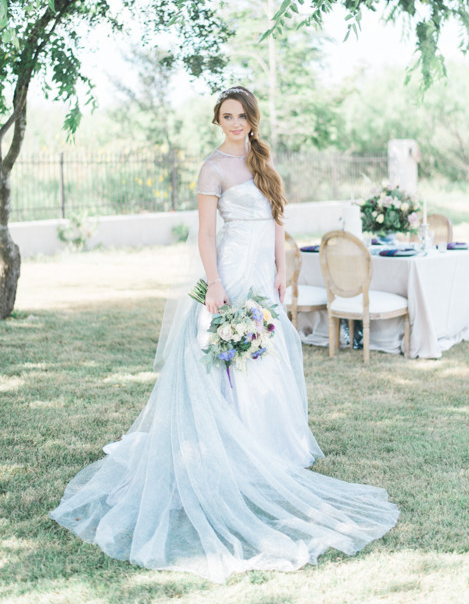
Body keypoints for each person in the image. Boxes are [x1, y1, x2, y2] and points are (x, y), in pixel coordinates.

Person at [50, 86, 398, 583]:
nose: (235, 123)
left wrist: (281, 272)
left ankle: (271, 443)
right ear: (218, 121)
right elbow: (207, 234)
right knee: (225, 357)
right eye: (226, 116)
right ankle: (224, 446)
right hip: (230, 273)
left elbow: (278, 222)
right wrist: (215, 283)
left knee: (269, 355)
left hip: (263, 275)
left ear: (253, 120)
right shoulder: (211, 169)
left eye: (241, 116)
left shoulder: (263, 164)